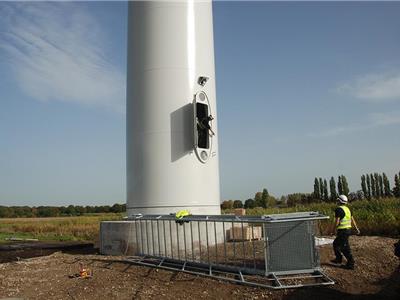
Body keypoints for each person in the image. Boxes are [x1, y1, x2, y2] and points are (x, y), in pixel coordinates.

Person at [331, 194, 360, 270]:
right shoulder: (348, 209)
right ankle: (338, 259)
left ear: (339, 201)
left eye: (338, 200)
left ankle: (351, 263)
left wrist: (333, 231)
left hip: (342, 231)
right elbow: (352, 219)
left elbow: (337, 222)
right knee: (336, 244)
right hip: (348, 230)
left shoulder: (338, 209)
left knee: (344, 247)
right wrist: (356, 228)